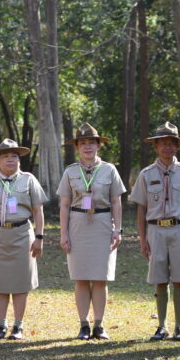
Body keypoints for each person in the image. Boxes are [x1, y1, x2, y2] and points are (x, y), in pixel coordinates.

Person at [130, 122, 180, 341]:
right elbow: (141, 208)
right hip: (156, 230)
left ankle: (179, 327)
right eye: (163, 143)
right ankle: (161, 326)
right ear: (156, 146)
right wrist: (142, 240)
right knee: (160, 278)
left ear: (177, 146)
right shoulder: (146, 174)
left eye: (172, 143)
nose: (167, 147)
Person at [58, 123, 126, 340]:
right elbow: (64, 204)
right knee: (80, 278)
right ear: (77, 147)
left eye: (91, 142)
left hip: (102, 223)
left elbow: (116, 202)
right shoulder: (70, 171)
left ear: (98, 145)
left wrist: (117, 229)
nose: (87, 146)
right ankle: (83, 324)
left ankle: (99, 324)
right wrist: (63, 233)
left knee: (100, 277)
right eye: (83, 143)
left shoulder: (109, 169)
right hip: (78, 224)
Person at [0, 139, 46, 339]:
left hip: (22, 234)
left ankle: (18, 326)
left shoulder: (28, 180)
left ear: (19, 160)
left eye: (14, 156)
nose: (10, 160)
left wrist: (39, 237)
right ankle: (1, 325)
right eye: (5, 156)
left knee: (21, 282)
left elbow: (38, 210)